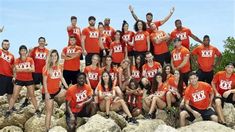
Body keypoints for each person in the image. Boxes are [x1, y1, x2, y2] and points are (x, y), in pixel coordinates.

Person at [5, 45, 39, 117]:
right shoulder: (17, 60)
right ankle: (9, 109)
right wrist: (27, 69)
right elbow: (17, 70)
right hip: (19, 80)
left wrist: (22, 70)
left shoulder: (30, 59)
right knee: (14, 95)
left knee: (32, 95)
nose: (23, 52)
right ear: (19, 52)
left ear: (26, 51)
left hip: (29, 80)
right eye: (21, 50)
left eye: (24, 50)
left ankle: (37, 109)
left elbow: (33, 69)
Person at [42, 49, 69, 131]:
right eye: (52, 55)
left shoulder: (60, 66)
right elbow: (44, 82)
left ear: (57, 57)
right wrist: (46, 93)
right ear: (49, 57)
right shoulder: (46, 68)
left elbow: (62, 78)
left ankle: (68, 111)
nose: (54, 57)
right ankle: (47, 129)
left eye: (55, 55)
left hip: (57, 91)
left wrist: (68, 88)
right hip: (48, 93)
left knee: (69, 93)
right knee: (49, 112)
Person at [21, 37, 49, 108]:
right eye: (40, 41)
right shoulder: (34, 49)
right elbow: (29, 59)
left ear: (45, 42)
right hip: (35, 72)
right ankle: (26, 101)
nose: (41, 42)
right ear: (38, 42)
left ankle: (43, 99)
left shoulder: (47, 51)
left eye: (43, 41)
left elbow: (48, 62)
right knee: (31, 87)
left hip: (43, 72)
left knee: (44, 86)